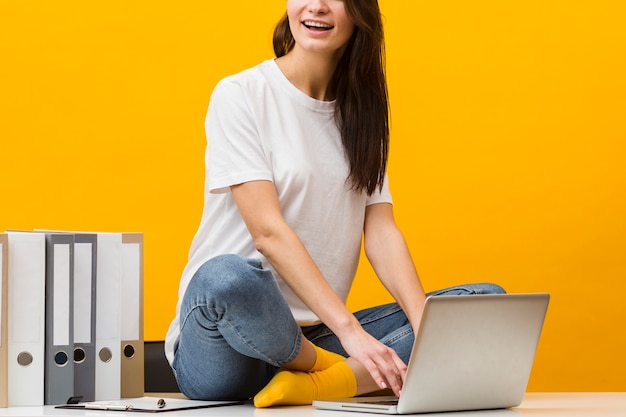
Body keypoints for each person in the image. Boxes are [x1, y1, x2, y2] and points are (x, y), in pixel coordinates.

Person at [164, 0, 505, 408]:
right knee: (224, 277)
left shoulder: (361, 115)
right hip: (223, 343)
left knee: (482, 303)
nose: (317, 6)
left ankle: (312, 383)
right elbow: (267, 233)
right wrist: (351, 333)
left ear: (361, 12)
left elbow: (381, 231)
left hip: (314, 331)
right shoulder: (241, 94)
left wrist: (427, 327)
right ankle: (331, 372)